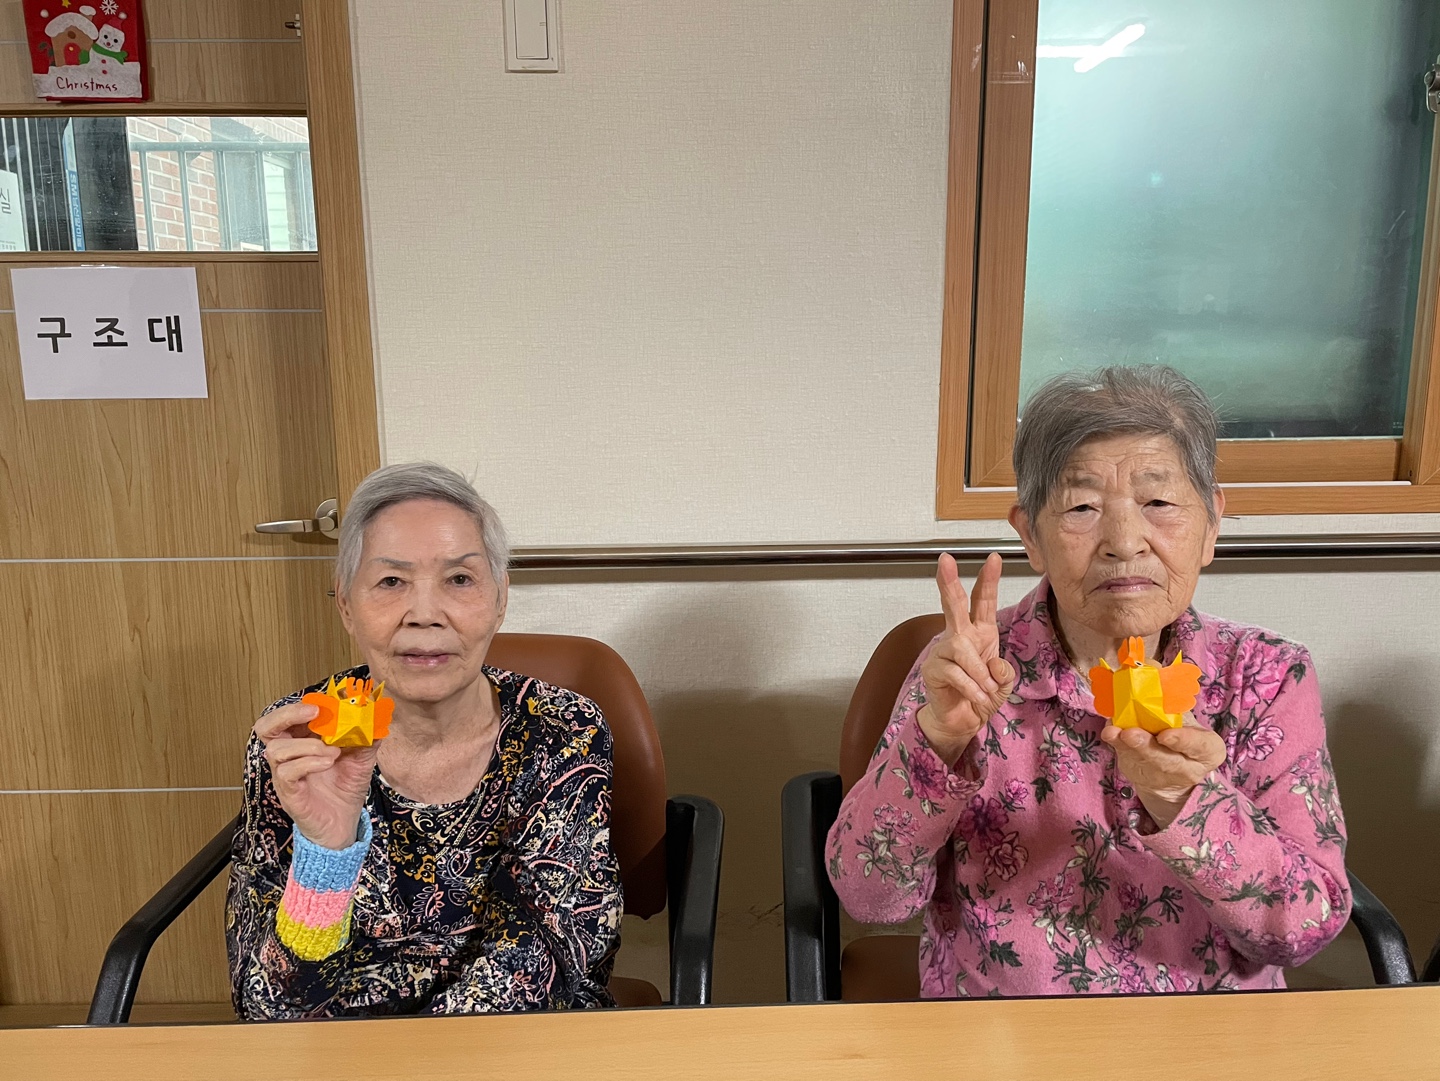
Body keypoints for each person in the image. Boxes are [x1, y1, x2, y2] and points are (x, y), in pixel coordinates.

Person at [827, 365, 1349, 997]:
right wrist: (935, 743)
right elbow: (871, 898)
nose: (1124, 543)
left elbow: (1302, 931)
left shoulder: (1265, 676)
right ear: (1031, 535)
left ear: (1211, 523)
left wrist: (1186, 801)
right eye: (1082, 508)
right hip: (1001, 1029)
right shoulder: (971, 672)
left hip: (1206, 1032)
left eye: (1159, 503)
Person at [226, 462, 622, 1018]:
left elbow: (550, 957)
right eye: (391, 582)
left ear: (500, 599)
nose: (425, 615)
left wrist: (416, 1055)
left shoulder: (561, 728)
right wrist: (326, 854)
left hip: (517, 1040)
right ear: (346, 606)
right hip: (348, 1044)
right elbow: (270, 1004)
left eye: (459, 579)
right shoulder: (299, 741)